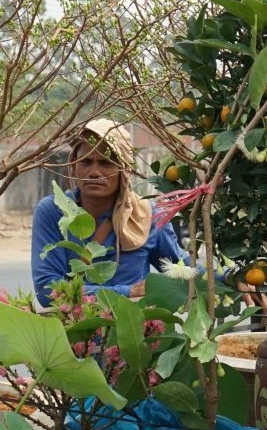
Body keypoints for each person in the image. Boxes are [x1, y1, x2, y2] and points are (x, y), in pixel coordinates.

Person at [30, 119, 184, 302]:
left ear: (124, 169)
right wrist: (127, 292)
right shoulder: (53, 212)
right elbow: (48, 291)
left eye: (106, 163)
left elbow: (180, 269)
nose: (94, 172)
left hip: (135, 328)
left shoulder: (147, 214)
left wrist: (224, 276)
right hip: (76, 330)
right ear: (73, 166)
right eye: (85, 162)